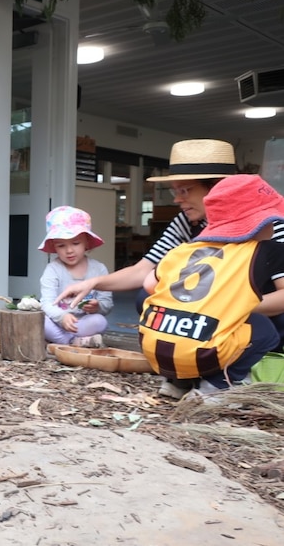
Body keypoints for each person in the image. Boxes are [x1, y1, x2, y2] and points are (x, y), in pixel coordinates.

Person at [54, 138, 284, 397]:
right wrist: (93, 282)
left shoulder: (269, 225)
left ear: (217, 189)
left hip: (256, 309)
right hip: (205, 313)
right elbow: (144, 271)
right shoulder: (187, 221)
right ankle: (183, 371)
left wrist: (225, 306)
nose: (177, 199)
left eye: (185, 191)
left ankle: (221, 371)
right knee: (147, 297)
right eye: (175, 190)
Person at [139, 174, 284, 397]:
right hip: (204, 353)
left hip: (157, 348)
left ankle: (176, 383)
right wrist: (227, 307)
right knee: (264, 330)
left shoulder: (185, 249)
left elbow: (149, 284)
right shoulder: (263, 251)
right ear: (259, 222)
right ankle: (215, 387)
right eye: (272, 221)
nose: (274, 228)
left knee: (187, 323)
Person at [38, 206, 113, 348]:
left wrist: (98, 307)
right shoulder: (53, 269)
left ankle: (64, 341)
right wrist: (62, 317)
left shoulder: (99, 269)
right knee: (40, 320)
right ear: (54, 247)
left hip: (83, 323)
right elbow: (46, 303)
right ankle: (73, 342)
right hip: (58, 323)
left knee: (100, 321)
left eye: (76, 243)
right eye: (61, 245)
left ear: (87, 242)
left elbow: (107, 303)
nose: (69, 250)